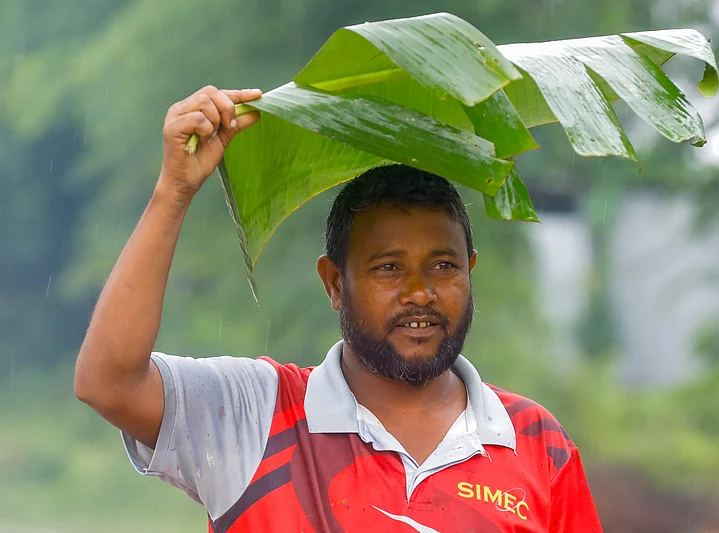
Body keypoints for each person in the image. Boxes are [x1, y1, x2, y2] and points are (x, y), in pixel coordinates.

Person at [74, 86, 603, 533]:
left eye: (443, 266)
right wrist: (175, 190)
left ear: (470, 270)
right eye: (388, 268)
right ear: (334, 283)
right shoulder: (256, 415)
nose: (420, 293)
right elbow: (109, 383)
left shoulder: (537, 443)